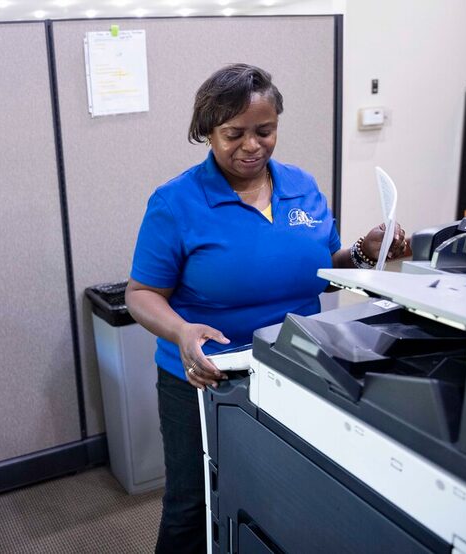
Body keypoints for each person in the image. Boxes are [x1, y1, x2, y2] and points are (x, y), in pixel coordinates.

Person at [125, 64, 409, 554]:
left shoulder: (302, 186)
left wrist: (365, 251)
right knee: (193, 505)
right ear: (207, 133)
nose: (252, 146)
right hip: (208, 375)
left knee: (281, 497)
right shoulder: (176, 202)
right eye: (234, 134)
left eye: (265, 131)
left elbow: (325, 263)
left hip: (298, 366)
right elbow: (141, 293)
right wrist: (182, 332)